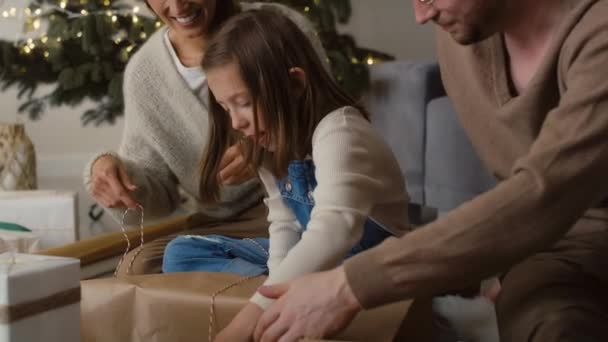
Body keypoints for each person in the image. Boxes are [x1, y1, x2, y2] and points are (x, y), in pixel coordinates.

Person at [253, 0, 608, 341]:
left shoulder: (598, 34)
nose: (421, 15)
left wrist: (349, 285)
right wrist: (497, 256)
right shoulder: (459, 39)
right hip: (553, 255)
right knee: (551, 326)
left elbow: (543, 195)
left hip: (567, 230)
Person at [161, 9, 410, 341]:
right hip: (312, 256)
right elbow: (284, 224)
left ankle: (287, 295)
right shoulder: (269, 143)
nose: (235, 123)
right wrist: (272, 288)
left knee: (309, 261)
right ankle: (286, 294)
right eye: (225, 107)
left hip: (364, 267)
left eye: (243, 102)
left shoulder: (341, 132)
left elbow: (332, 233)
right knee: (181, 253)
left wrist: (245, 322)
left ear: (293, 84)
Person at [82, 0, 329, 274]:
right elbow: (159, 191)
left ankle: (282, 275)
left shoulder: (280, 27)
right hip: (222, 224)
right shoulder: (144, 73)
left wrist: (271, 148)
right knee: (137, 267)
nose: (177, 6)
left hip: (302, 202)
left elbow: (331, 120)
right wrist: (115, 178)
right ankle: (274, 275)